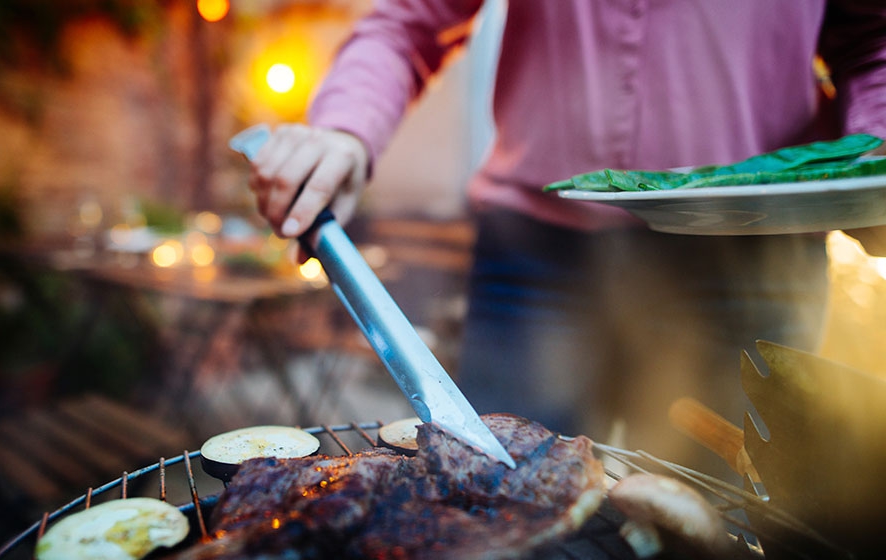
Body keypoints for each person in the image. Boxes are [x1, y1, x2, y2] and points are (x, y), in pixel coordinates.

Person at [245, 1, 886, 472]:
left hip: (747, 261)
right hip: (537, 264)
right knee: (493, 492)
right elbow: (407, 20)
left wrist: (876, 159)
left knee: (720, 513)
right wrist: (344, 130)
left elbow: (872, 38)